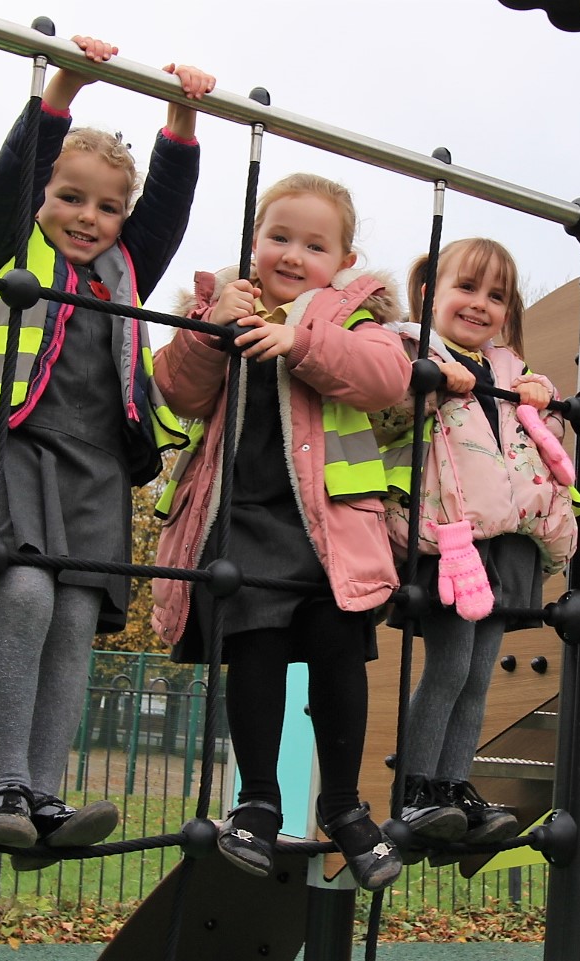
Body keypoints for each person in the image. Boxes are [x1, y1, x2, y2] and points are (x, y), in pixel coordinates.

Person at [0, 35, 214, 870]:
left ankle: (44, 799)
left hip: (95, 461)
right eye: (69, 197)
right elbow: (5, 185)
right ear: (43, 195)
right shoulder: (7, 249)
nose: (87, 217)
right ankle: (4, 785)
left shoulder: (124, 267)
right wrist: (61, 94)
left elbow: (164, 212)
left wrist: (182, 118)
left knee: (77, 617)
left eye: (105, 206)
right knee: (20, 592)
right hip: (12, 440)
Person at [150, 173, 411, 891]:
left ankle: (344, 805)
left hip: (329, 528)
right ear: (254, 243)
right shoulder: (221, 305)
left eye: (314, 244)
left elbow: (386, 378)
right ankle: (258, 799)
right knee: (254, 648)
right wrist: (213, 328)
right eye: (279, 238)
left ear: (344, 258)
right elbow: (177, 388)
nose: (293, 254)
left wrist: (300, 338)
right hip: (243, 518)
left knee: (338, 655)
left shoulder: (355, 318)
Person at [371, 238, 579, 863]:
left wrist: (545, 408)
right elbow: (383, 422)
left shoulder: (510, 370)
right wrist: (430, 385)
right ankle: (414, 789)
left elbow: (523, 449)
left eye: (497, 296)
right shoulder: (412, 351)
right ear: (430, 292)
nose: (481, 305)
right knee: (450, 666)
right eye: (467, 288)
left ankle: (454, 784)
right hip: (449, 537)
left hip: (507, 539)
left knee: (480, 677)